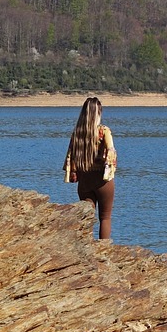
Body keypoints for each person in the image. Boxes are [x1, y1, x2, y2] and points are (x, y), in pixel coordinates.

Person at [63, 96, 117, 239]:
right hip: (102, 180)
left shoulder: (77, 134)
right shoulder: (104, 131)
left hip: (85, 180)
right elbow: (111, 152)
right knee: (105, 218)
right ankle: (104, 252)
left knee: (87, 219)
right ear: (98, 113)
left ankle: (87, 251)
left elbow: (70, 157)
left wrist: (75, 173)